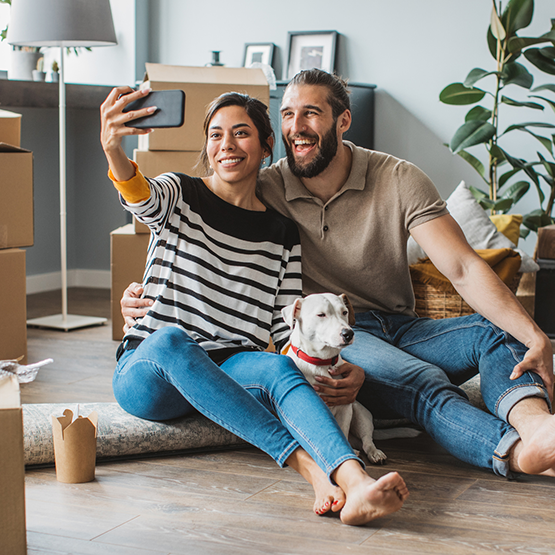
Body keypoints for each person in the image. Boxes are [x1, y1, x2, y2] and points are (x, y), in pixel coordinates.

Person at [121, 69, 555, 481]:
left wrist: (536, 336)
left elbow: (462, 267)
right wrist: (150, 298)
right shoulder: (264, 184)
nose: (297, 127)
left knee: (496, 332)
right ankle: (513, 452)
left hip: (404, 324)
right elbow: (197, 204)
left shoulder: (398, 177)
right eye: (288, 114)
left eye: (312, 112)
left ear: (343, 119)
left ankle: (538, 429)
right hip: (343, 333)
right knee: (423, 381)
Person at [100, 86, 409, 526]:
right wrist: (113, 149)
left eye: (241, 133)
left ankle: (356, 483)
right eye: (215, 134)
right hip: (152, 372)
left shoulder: (281, 233)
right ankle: (312, 470)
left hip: (229, 367)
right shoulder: (179, 195)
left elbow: (289, 333)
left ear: (267, 146)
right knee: (172, 341)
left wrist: (338, 369)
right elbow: (140, 197)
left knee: (279, 367)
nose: (226, 144)